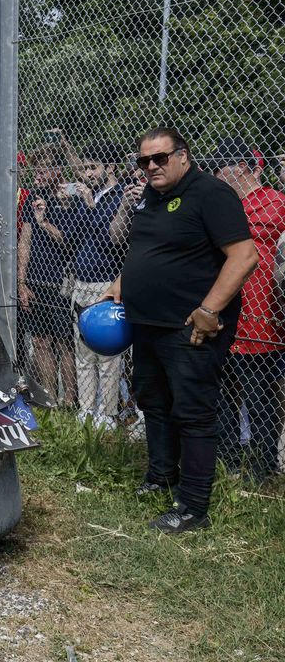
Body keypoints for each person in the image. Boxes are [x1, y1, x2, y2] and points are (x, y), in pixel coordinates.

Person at [102, 126, 258, 533]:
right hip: (147, 324)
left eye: (160, 158)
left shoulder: (211, 194)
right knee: (153, 402)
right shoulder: (150, 196)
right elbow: (148, 250)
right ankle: (161, 477)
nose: (151, 166)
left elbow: (244, 256)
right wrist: (123, 281)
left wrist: (209, 309)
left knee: (193, 413)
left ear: (183, 156)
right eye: (144, 161)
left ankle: (193, 507)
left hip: (189, 327)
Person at [209, 138, 285, 481]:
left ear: (240, 167)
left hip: (261, 317)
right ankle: (226, 457)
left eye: (219, 169)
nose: (216, 175)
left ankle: (262, 464)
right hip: (224, 313)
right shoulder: (222, 206)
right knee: (223, 391)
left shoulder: (275, 202)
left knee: (258, 395)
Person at [64, 143, 126, 425]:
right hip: (81, 282)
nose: (87, 174)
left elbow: (111, 242)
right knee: (84, 351)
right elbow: (72, 238)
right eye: (86, 168)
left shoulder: (120, 196)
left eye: (93, 167)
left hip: (107, 283)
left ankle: (108, 412)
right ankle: (87, 407)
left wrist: (91, 208)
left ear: (109, 167)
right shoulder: (86, 196)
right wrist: (81, 205)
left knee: (108, 352)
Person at [18, 148, 76, 409]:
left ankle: (70, 400)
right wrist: (22, 282)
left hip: (60, 282)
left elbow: (69, 243)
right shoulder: (33, 200)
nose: (37, 176)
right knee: (41, 342)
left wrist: (45, 223)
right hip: (35, 281)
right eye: (36, 171)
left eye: (42, 171)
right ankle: (51, 399)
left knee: (65, 343)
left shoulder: (68, 199)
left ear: (57, 171)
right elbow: (25, 241)